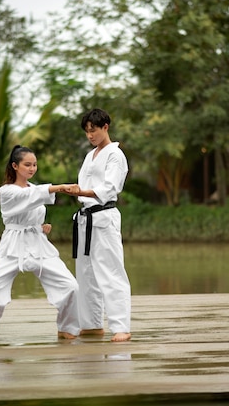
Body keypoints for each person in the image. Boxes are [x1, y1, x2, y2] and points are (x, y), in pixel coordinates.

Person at [0, 145, 81, 343]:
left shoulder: (35, 189)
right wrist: (59, 187)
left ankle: (67, 328)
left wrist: (41, 226)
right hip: (12, 245)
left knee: (71, 286)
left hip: (37, 243)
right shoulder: (7, 191)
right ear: (15, 166)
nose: (32, 168)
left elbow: (32, 206)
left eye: (34, 164)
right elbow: (25, 199)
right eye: (27, 164)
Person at [70, 108, 131, 342]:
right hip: (86, 218)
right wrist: (76, 191)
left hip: (104, 216)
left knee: (111, 272)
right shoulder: (90, 155)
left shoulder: (115, 155)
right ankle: (92, 324)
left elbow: (109, 187)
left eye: (93, 130)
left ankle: (121, 326)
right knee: (86, 273)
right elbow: (84, 184)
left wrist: (81, 191)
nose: (90, 135)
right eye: (86, 131)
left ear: (105, 127)